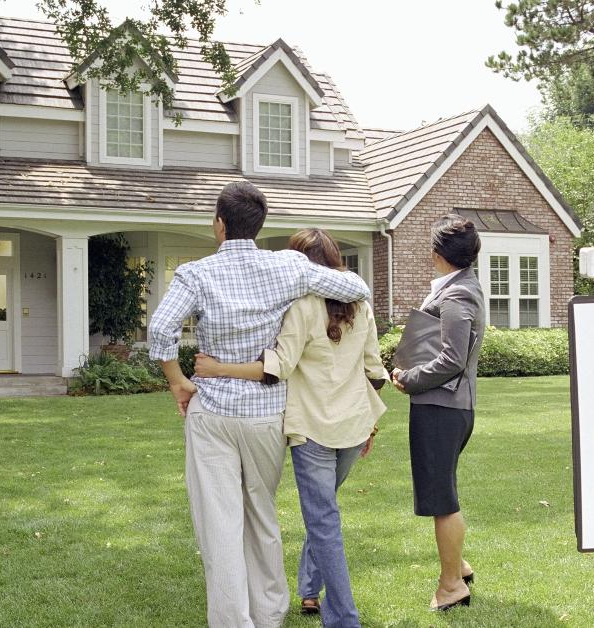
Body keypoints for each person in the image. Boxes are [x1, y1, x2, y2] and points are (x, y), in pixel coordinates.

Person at [147, 182, 371, 628]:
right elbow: (357, 288)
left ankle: (234, 621)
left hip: (212, 413)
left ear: (220, 224)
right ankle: (269, 615)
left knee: (220, 521)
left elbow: (160, 330)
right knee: (261, 514)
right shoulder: (288, 266)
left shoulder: (196, 273)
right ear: (259, 225)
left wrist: (177, 382)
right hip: (266, 413)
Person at [195, 228, 388, 628]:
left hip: (314, 431)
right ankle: (309, 588)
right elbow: (374, 370)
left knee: (323, 521)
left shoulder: (302, 306)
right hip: (354, 426)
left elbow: (277, 367)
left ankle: (344, 619)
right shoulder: (361, 305)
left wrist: (217, 368)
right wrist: (369, 426)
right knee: (325, 513)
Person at [390, 214, 485, 612]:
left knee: (442, 500)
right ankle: (458, 567)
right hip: (449, 409)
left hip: (440, 410)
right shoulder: (462, 287)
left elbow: (452, 359)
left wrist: (410, 378)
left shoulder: (457, 295)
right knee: (443, 494)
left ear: (437, 254)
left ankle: (450, 586)